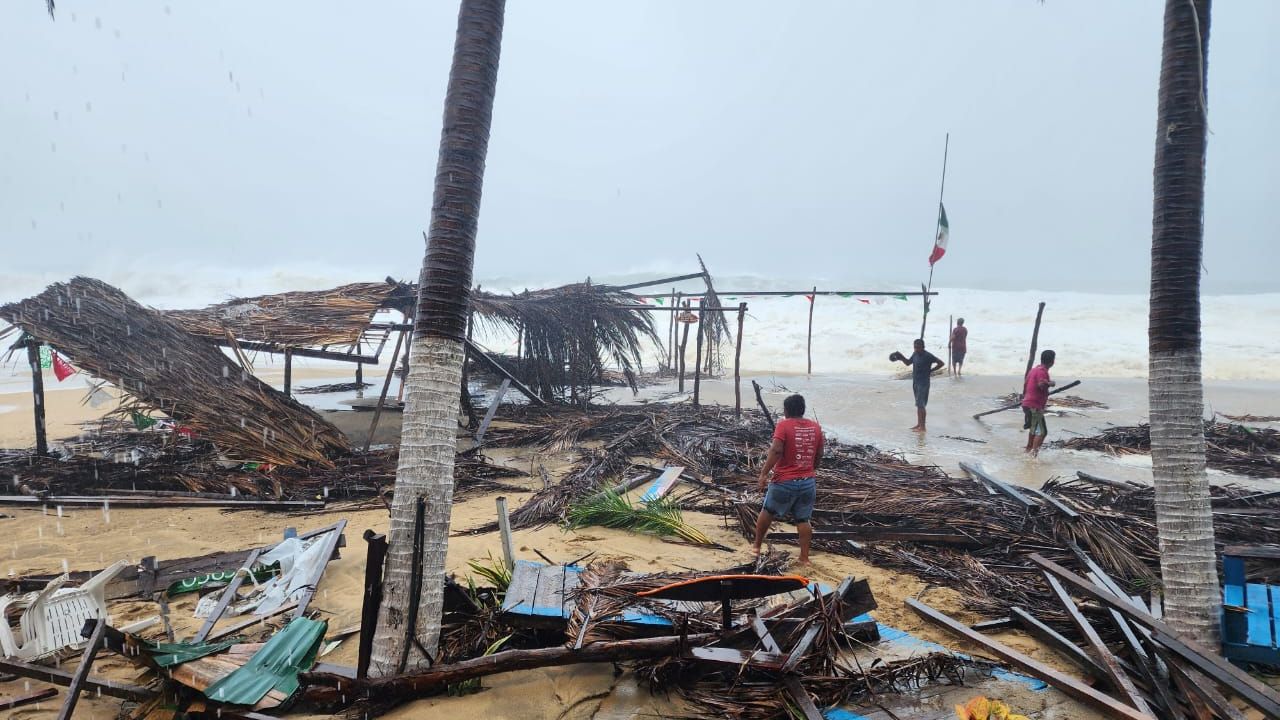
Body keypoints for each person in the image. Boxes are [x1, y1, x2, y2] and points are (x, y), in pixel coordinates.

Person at [753, 394, 823, 565]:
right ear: (803, 409)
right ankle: (804, 557)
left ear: (786, 411)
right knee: (803, 520)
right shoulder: (816, 428)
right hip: (807, 482)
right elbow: (819, 454)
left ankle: (756, 547)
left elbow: (776, 450)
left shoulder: (783, 425)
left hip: (784, 481)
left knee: (768, 511)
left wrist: (763, 474)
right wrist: (811, 469)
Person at [891, 339, 944, 431]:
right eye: (915, 347)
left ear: (923, 347)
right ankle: (919, 424)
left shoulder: (928, 355)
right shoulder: (915, 354)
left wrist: (931, 371)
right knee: (918, 404)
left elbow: (941, 363)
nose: (916, 349)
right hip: (916, 381)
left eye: (918, 347)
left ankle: (923, 427)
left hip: (923, 382)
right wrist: (901, 357)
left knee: (921, 405)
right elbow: (908, 363)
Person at [1022, 349, 1056, 457]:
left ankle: (1028, 450)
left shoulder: (1033, 370)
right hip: (1034, 406)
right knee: (1042, 432)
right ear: (1052, 362)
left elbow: (1026, 384)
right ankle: (1033, 455)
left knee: (1033, 429)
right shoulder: (1042, 371)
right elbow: (1041, 384)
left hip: (1027, 404)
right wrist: (1050, 383)